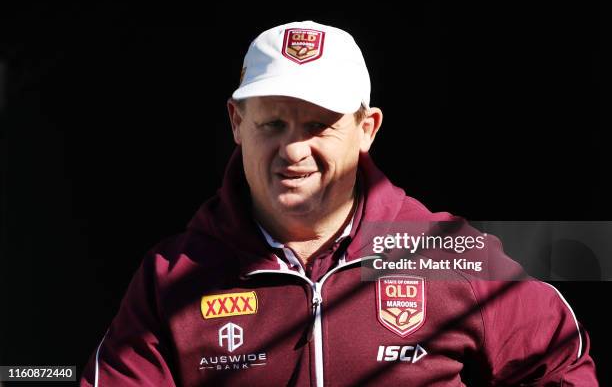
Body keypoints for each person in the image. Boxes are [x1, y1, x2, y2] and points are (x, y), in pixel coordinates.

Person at [80, 20, 598, 386]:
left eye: (318, 125)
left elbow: (561, 366)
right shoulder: (172, 277)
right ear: (237, 125)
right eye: (272, 123)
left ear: (366, 129)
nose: (293, 149)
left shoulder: (451, 254)